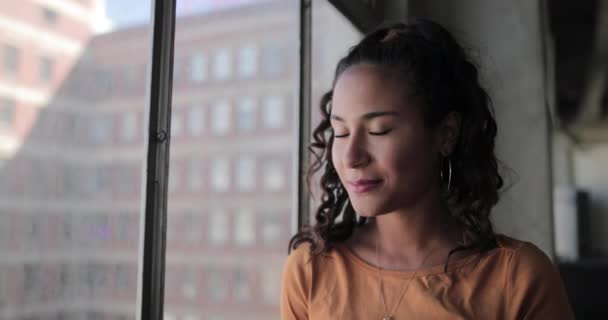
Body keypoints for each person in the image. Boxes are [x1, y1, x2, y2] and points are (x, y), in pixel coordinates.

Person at [280, 19, 575, 319]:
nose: (352, 156)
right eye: (340, 132)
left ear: (446, 134)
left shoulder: (516, 279)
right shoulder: (311, 270)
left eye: (379, 130)